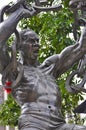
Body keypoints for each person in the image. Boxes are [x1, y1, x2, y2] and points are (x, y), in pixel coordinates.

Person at [0, 1, 86, 130]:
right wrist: (19, 13)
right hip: (33, 123)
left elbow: (80, 48)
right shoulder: (13, 70)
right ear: (19, 45)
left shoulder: (50, 67)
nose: (37, 44)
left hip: (59, 124)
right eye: (31, 41)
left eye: (38, 41)